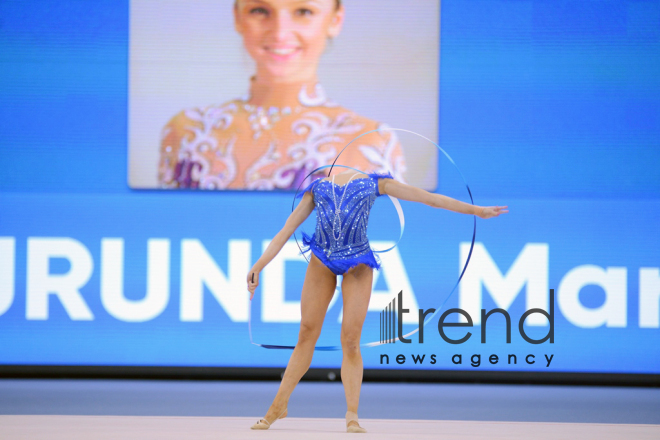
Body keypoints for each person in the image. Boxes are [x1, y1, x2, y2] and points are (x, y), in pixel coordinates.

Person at [246, 169, 508, 432]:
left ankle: (352, 415)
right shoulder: (318, 188)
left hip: (358, 263)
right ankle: (278, 407)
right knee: (306, 333)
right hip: (321, 260)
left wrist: (477, 211)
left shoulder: (375, 183)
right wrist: (259, 265)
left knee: (350, 340)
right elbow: (287, 228)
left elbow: (428, 198)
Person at [158, 0, 408, 190]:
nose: (279, 32)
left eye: (303, 11)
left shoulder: (370, 142)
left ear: (335, 20)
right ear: (237, 17)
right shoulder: (187, 130)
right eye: (260, 10)